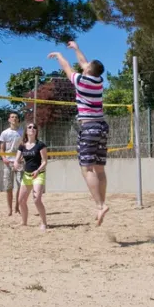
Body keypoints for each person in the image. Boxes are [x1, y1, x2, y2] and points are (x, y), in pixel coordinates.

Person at [48, 41, 110, 226]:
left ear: (88, 70)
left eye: (86, 65)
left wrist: (59, 56)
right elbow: (83, 62)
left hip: (89, 127)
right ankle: (101, 204)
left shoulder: (81, 81)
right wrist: (76, 48)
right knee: (99, 169)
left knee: (87, 169)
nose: (84, 64)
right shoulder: (98, 80)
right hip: (102, 127)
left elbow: (67, 67)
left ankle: (100, 205)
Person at [14, 123, 48, 231]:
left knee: (37, 199)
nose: (32, 129)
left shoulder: (40, 145)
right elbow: (17, 159)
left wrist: (38, 171)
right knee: (21, 200)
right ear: (26, 131)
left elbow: (45, 161)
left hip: (38, 174)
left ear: (36, 131)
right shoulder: (22, 145)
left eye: (34, 127)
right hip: (27, 175)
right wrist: (16, 164)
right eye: (29, 127)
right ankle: (24, 222)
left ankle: (44, 223)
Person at [0, 112, 23, 216]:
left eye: (16, 117)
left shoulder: (21, 132)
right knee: (8, 187)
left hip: (19, 162)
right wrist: (3, 158)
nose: (14, 119)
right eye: (12, 117)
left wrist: (20, 158)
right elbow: (1, 148)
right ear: (9, 120)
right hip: (8, 162)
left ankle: (17, 207)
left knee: (20, 186)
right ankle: (9, 209)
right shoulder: (4, 133)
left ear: (18, 120)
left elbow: (23, 147)